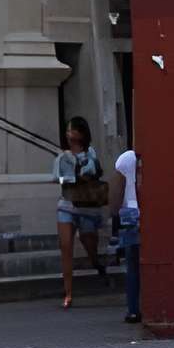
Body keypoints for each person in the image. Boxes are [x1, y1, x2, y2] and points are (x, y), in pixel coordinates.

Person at [50, 117, 111, 310]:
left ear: (82, 133)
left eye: (73, 131)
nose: (70, 135)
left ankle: (96, 262)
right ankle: (68, 292)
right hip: (67, 204)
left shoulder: (90, 153)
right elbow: (55, 178)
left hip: (86, 205)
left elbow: (97, 171)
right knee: (66, 246)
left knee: (88, 240)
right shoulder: (62, 157)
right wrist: (70, 178)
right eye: (68, 131)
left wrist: (86, 172)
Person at [115, 139, 143, 324]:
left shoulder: (126, 159)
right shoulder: (129, 159)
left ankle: (134, 309)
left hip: (132, 211)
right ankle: (137, 307)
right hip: (139, 211)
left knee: (133, 265)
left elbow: (118, 188)